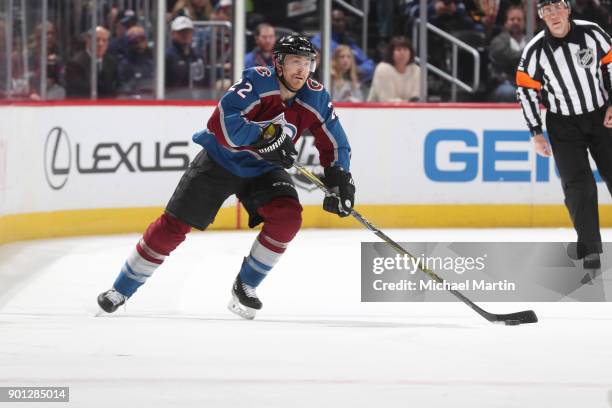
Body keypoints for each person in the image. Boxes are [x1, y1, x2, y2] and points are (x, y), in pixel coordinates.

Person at [97, 35, 355, 320]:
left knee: (288, 217)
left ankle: (245, 285)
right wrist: (262, 138)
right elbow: (221, 122)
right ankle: (120, 289)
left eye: (307, 63)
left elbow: (334, 141)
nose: (302, 70)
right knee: (174, 226)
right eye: (295, 61)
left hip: (263, 170)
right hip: (220, 160)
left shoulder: (315, 97)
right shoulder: (256, 83)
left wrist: (339, 176)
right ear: (278, 64)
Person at [516, 0, 612, 269]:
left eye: (558, 7)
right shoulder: (535, 50)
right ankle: (590, 248)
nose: (554, 14)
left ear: (568, 10)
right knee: (578, 186)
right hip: (563, 125)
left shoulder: (592, 32)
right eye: (547, 10)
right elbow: (525, 91)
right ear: (541, 16)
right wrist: (536, 131)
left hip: (602, 117)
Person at [310, 9, 375, 83]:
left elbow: (369, 63)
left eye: (343, 20)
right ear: (328, 21)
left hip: (349, 82)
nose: (341, 23)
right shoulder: (319, 40)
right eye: (337, 20)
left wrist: (359, 69)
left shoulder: (348, 41)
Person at [65, 26, 119, 98]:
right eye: (97, 40)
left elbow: (116, 87)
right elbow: (78, 92)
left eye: (104, 40)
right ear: (88, 41)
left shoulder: (111, 62)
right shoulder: (75, 64)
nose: (100, 44)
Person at [489, 4, 527, 101]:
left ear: (525, 23)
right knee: (507, 92)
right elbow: (509, 58)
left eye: (519, 19)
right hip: (506, 83)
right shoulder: (498, 41)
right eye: (512, 19)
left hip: (530, 84)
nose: (516, 22)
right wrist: (528, 53)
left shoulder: (530, 40)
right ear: (506, 23)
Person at [368, 36, 420, 102]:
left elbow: (416, 98)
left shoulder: (416, 70)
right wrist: (408, 103)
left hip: (409, 110)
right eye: (398, 50)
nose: (402, 53)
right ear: (391, 53)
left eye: (405, 50)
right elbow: (386, 100)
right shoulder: (383, 69)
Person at [165, 16, 204, 90]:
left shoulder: (197, 55)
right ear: (173, 34)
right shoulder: (168, 56)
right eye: (181, 32)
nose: (185, 35)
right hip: (173, 98)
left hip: (196, 97)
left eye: (188, 31)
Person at [118, 26, 154, 97]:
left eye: (142, 40)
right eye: (135, 41)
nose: (139, 44)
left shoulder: (151, 63)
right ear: (129, 43)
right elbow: (122, 88)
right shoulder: (124, 65)